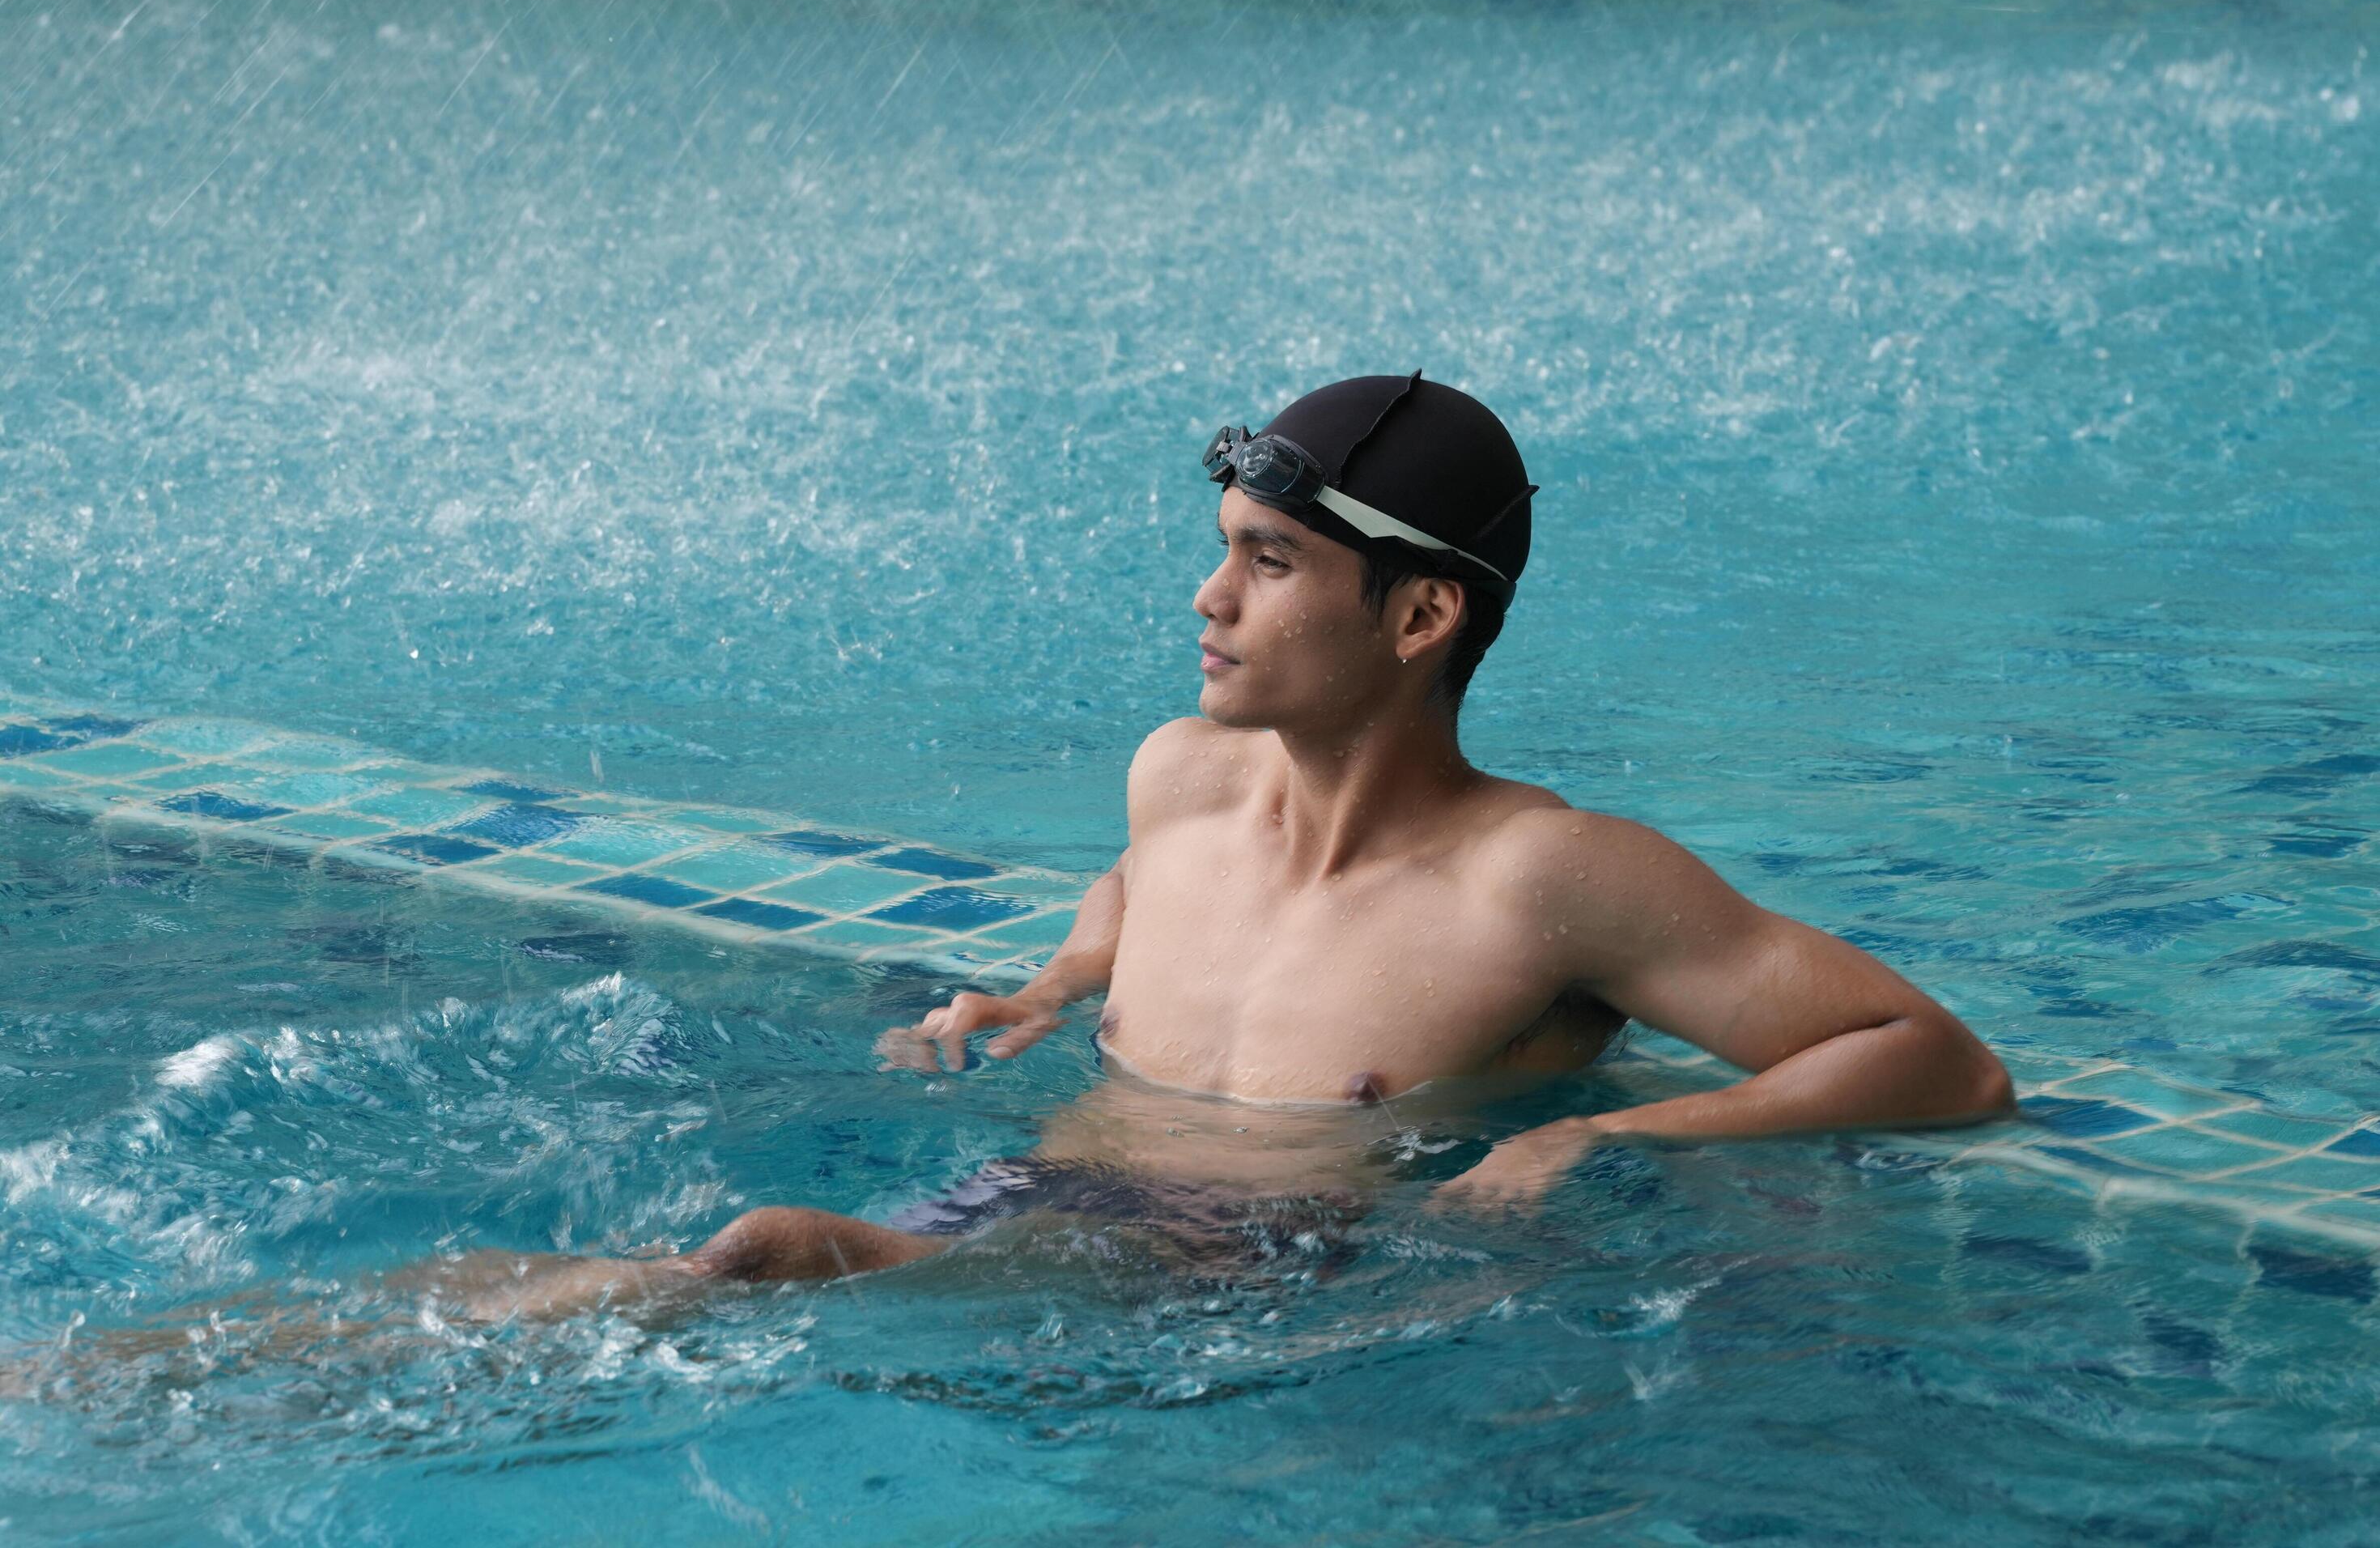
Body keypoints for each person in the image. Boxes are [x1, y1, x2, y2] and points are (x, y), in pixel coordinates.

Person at [395, 372, 2018, 1322]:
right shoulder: (1180, 777)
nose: (1208, 598)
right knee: (680, 1279)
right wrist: (1058, 979)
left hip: (1265, 1285)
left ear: (1423, 612)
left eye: (1268, 563)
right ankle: (222, 1369)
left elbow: (1937, 1058)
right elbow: (1143, 885)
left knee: (748, 1261)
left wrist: (1624, 1136)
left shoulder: (1542, 877)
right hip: (1026, 1204)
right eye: (1220, 551)